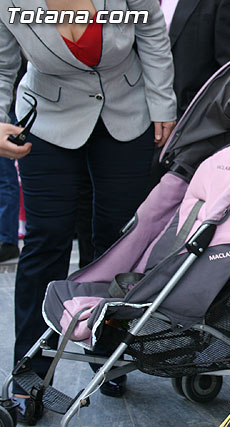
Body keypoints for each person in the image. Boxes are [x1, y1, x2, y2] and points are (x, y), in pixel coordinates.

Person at [0, 0, 177, 413]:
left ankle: (109, 356)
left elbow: (151, 31)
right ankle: (29, 372)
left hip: (127, 110)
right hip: (47, 118)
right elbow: (2, 64)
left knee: (119, 239)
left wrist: (162, 102)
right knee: (47, 240)